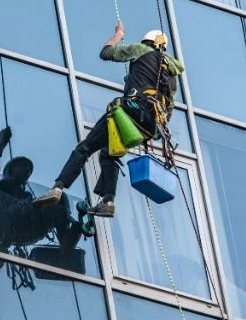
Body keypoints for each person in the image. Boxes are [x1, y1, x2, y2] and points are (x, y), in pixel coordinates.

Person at [31, 22, 184, 218]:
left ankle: (57, 188)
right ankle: (108, 200)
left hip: (132, 110)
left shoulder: (141, 50)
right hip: (151, 126)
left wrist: (118, 35)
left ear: (148, 42)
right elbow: (168, 110)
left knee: (85, 147)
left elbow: (106, 53)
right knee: (108, 153)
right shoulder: (172, 76)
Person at [0, 127, 81, 266]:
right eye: (22, 167)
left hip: (28, 226)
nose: (26, 171)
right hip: (6, 224)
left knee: (59, 198)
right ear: (9, 170)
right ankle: (62, 223)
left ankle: (66, 238)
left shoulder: (26, 195)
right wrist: (2, 143)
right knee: (47, 200)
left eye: (27, 171)